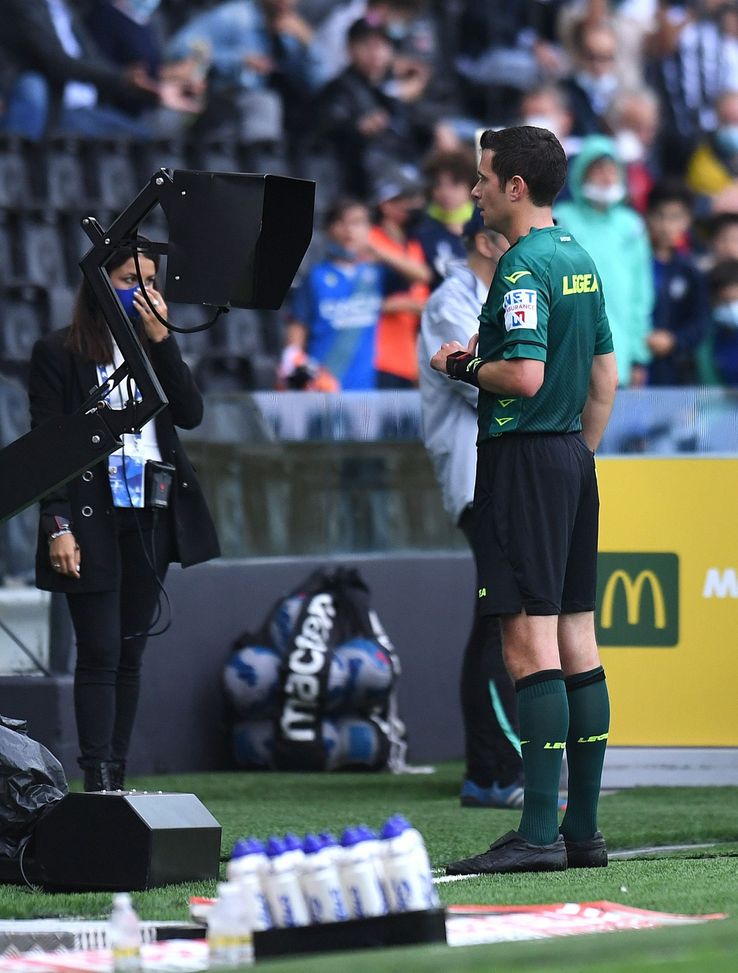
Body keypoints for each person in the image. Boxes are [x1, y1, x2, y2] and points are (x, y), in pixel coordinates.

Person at [431, 125, 618, 874]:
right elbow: (605, 377)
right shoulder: (579, 257)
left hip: (523, 458)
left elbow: (524, 377)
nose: (474, 189)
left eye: (482, 177)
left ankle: (539, 832)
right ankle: (584, 833)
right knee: (580, 639)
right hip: (573, 455)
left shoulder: (520, 268)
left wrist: (462, 363)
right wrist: (575, 457)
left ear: (515, 187)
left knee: (527, 643)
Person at [28, 242, 221, 792]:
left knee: (132, 649)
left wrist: (162, 344)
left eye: (151, 279)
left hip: (151, 513)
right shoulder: (58, 353)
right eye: (128, 278)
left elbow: (189, 413)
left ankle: (116, 773)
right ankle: (96, 777)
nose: (143, 290)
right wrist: (57, 525)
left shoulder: (151, 347)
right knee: (100, 650)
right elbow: (47, 447)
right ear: (100, 284)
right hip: (90, 515)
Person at [418, 211, 525, 808]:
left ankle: (491, 769)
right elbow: (477, 378)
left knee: (497, 616)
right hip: (474, 474)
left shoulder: (502, 295)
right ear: (486, 242)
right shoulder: (450, 300)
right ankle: (490, 771)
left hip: (502, 472)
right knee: (497, 617)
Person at [554, 135, 654, 388]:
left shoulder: (631, 225)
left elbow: (640, 295)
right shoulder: (560, 219)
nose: (607, 176)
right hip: (567, 348)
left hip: (620, 350)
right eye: (597, 169)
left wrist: (638, 356)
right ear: (581, 175)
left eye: (612, 169)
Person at [369, 168, 431, 388]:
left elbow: (423, 291)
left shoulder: (413, 245)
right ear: (385, 205)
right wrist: (388, 305)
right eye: (402, 200)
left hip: (408, 359)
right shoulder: (369, 240)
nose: (410, 206)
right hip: (375, 357)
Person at [645, 182, 709, 385]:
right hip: (639, 368)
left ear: (688, 220)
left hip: (678, 372)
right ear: (647, 216)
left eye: (675, 217)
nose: (666, 226)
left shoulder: (690, 271)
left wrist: (675, 340)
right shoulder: (634, 264)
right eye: (660, 216)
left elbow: (700, 322)